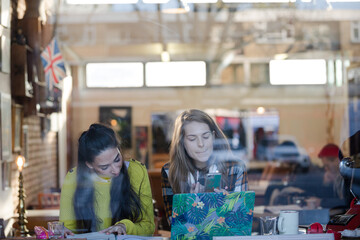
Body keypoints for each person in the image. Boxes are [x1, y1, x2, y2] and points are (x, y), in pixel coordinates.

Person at [59, 123, 155, 236]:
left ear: (119, 149)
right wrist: (64, 232)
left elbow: (148, 227)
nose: (116, 170)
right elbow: (68, 228)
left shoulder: (137, 171)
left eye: (117, 159)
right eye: (104, 167)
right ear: (89, 164)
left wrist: (124, 226)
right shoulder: (73, 177)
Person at [161, 109, 248, 225]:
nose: (201, 144)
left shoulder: (236, 168)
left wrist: (226, 205)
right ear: (182, 142)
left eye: (206, 137)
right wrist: (190, 204)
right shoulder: (169, 171)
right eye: (192, 138)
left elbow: (242, 223)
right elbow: (174, 226)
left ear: (213, 136)